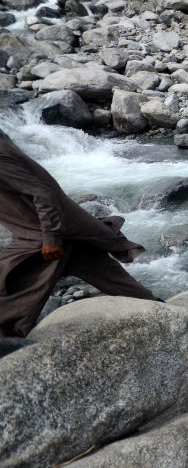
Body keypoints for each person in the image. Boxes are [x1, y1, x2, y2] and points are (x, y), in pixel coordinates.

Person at [0, 129, 158, 339]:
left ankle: (11, 350)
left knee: (9, 291)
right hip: (65, 232)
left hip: (44, 236)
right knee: (119, 284)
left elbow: (43, 194)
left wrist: (51, 239)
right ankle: (167, 315)